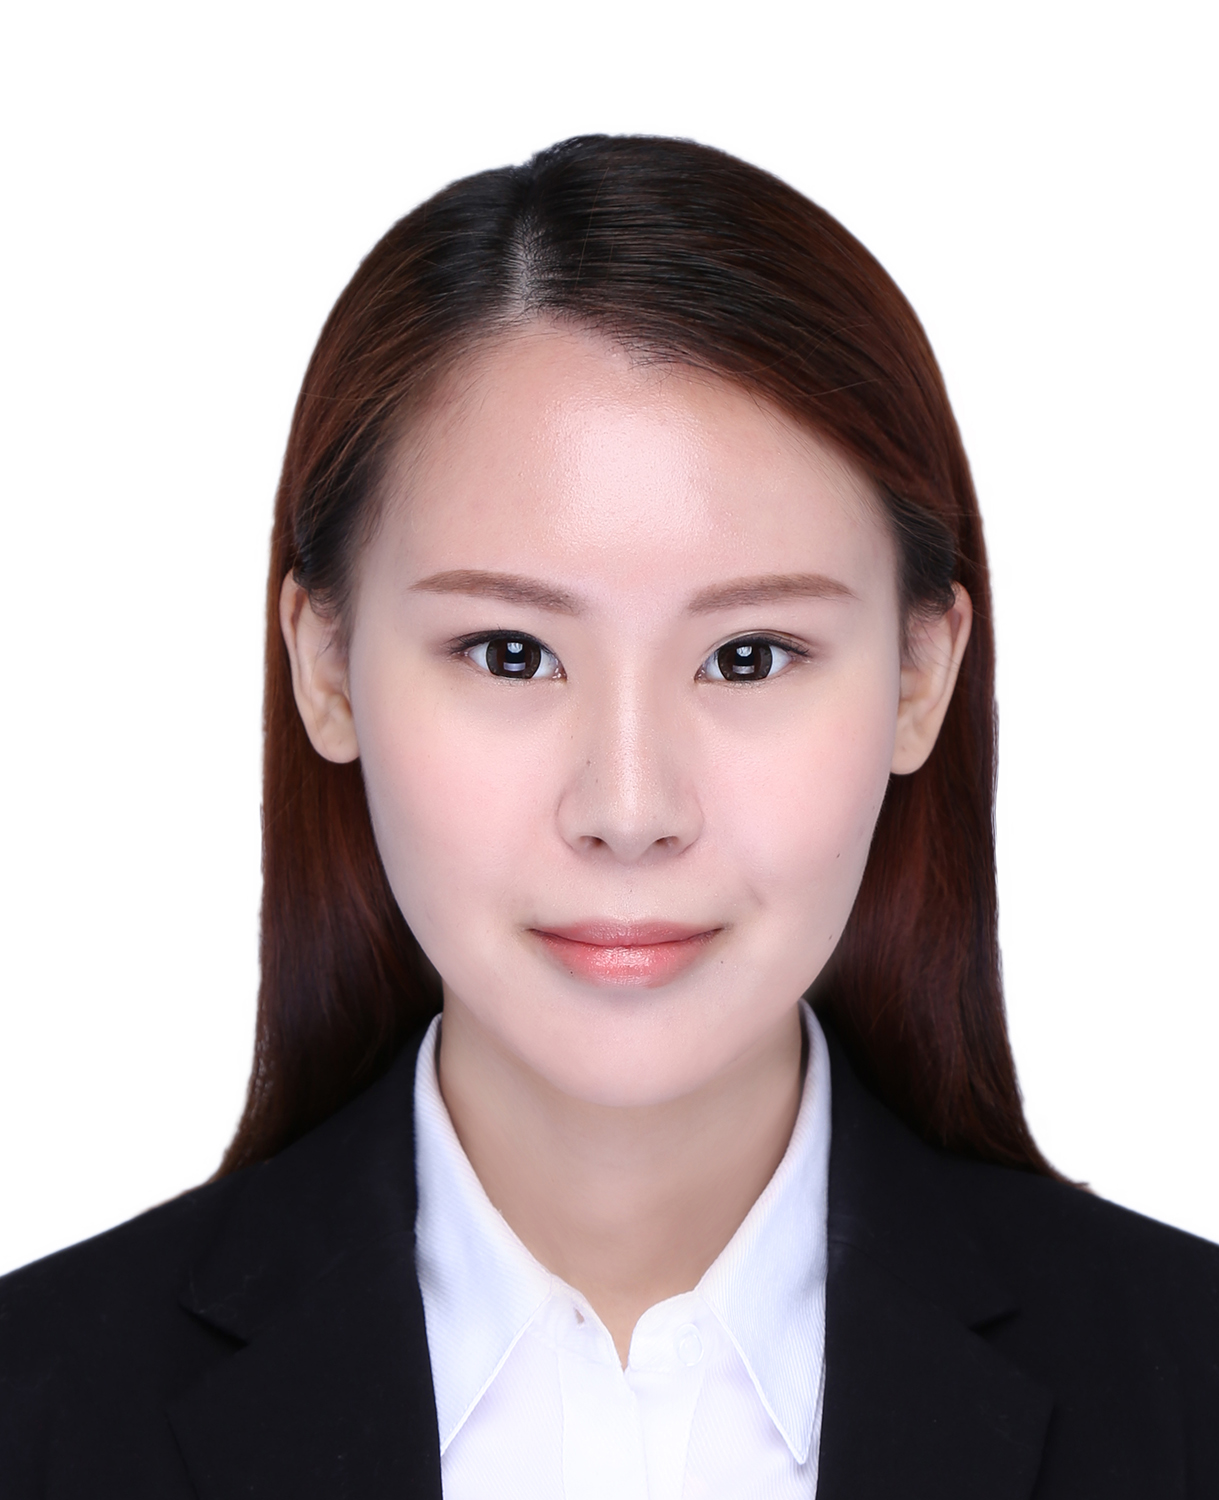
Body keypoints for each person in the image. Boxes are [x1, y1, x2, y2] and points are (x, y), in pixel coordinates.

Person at [1, 134, 1215, 1499]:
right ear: (325, 666)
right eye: (510, 653)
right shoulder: (38, 1416)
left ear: (919, 679)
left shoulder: (1187, 1393)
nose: (629, 812)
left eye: (748, 657)